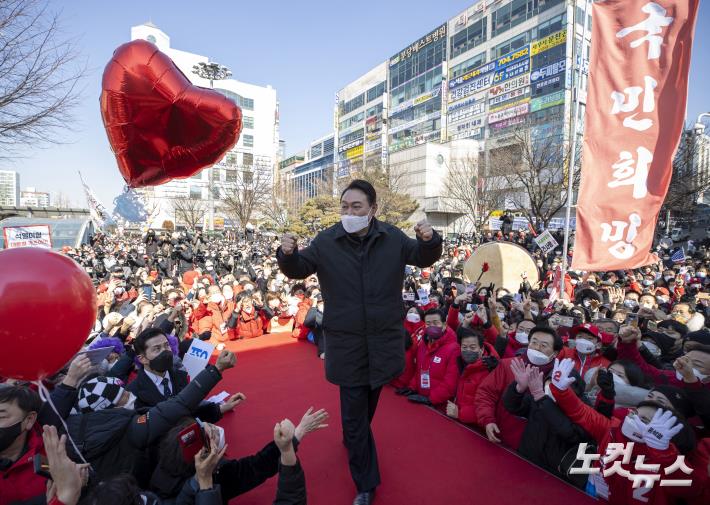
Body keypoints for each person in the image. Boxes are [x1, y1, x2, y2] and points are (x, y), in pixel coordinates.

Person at [276, 179, 442, 504]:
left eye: (356, 207)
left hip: (382, 343)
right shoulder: (327, 241)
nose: (349, 213)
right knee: (354, 415)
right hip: (346, 344)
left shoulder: (392, 237)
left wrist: (430, 240)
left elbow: (422, 257)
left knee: (367, 405)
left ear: (372, 210)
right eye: (345, 207)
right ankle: (366, 484)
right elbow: (299, 267)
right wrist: (287, 254)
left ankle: (355, 438)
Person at [396, 308, 460, 407]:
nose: (432, 326)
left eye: (436, 323)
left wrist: (431, 399)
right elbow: (419, 370)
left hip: (440, 407)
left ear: (444, 324)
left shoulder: (454, 349)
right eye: (428, 323)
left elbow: (450, 383)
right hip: (422, 402)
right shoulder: (423, 344)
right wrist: (412, 387)